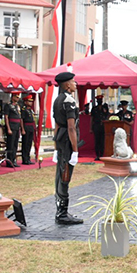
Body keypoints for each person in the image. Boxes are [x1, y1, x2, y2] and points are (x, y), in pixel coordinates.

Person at [53, 71, 83, 225]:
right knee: (65, 176)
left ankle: (60, 209)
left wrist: (54, 146)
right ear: (66, 84)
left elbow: (57, 125)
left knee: (60, 174)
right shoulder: (68, 101)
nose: (75, 84)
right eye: (73, 81)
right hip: (67, 142)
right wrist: (75, 151)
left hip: (60, 140)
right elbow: (71, 128)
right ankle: (62, 214)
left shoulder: (58, 99)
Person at [4, 91, 23, 167]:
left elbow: (19, 117)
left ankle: (13, 159)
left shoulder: (17, 106)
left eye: (18, 97)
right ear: (13, 97)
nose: (18, 99)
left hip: (16, 127)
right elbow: (6, 117)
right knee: (10, 144)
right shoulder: (8, 105)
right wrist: (8, 128)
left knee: (15, 144)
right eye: (16, 97)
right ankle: (9, 160)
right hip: (11, 126)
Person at [90, 95, 108, 161]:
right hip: (96, 126)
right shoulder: (94, 108)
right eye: (98, 100)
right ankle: (97, 155)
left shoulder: (105, 108)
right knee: (97, 141)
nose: (99, 101)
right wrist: (90, 128)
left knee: (102, 141)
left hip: (103, 126)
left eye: (100, 100)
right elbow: (92, 118)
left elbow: (107, 116)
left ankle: (102, 155)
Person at [21, 94, 37, 165]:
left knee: (29, 143)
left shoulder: (31, 110)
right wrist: (22, 129)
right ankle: (24, 159)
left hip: (31, 128)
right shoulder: (23, 110)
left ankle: (28, 158)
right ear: (25, 102)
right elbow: (21, 120)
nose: (31, 103)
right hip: (26, 127)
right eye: (29, 101)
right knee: (25, 143)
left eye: (31, 101)